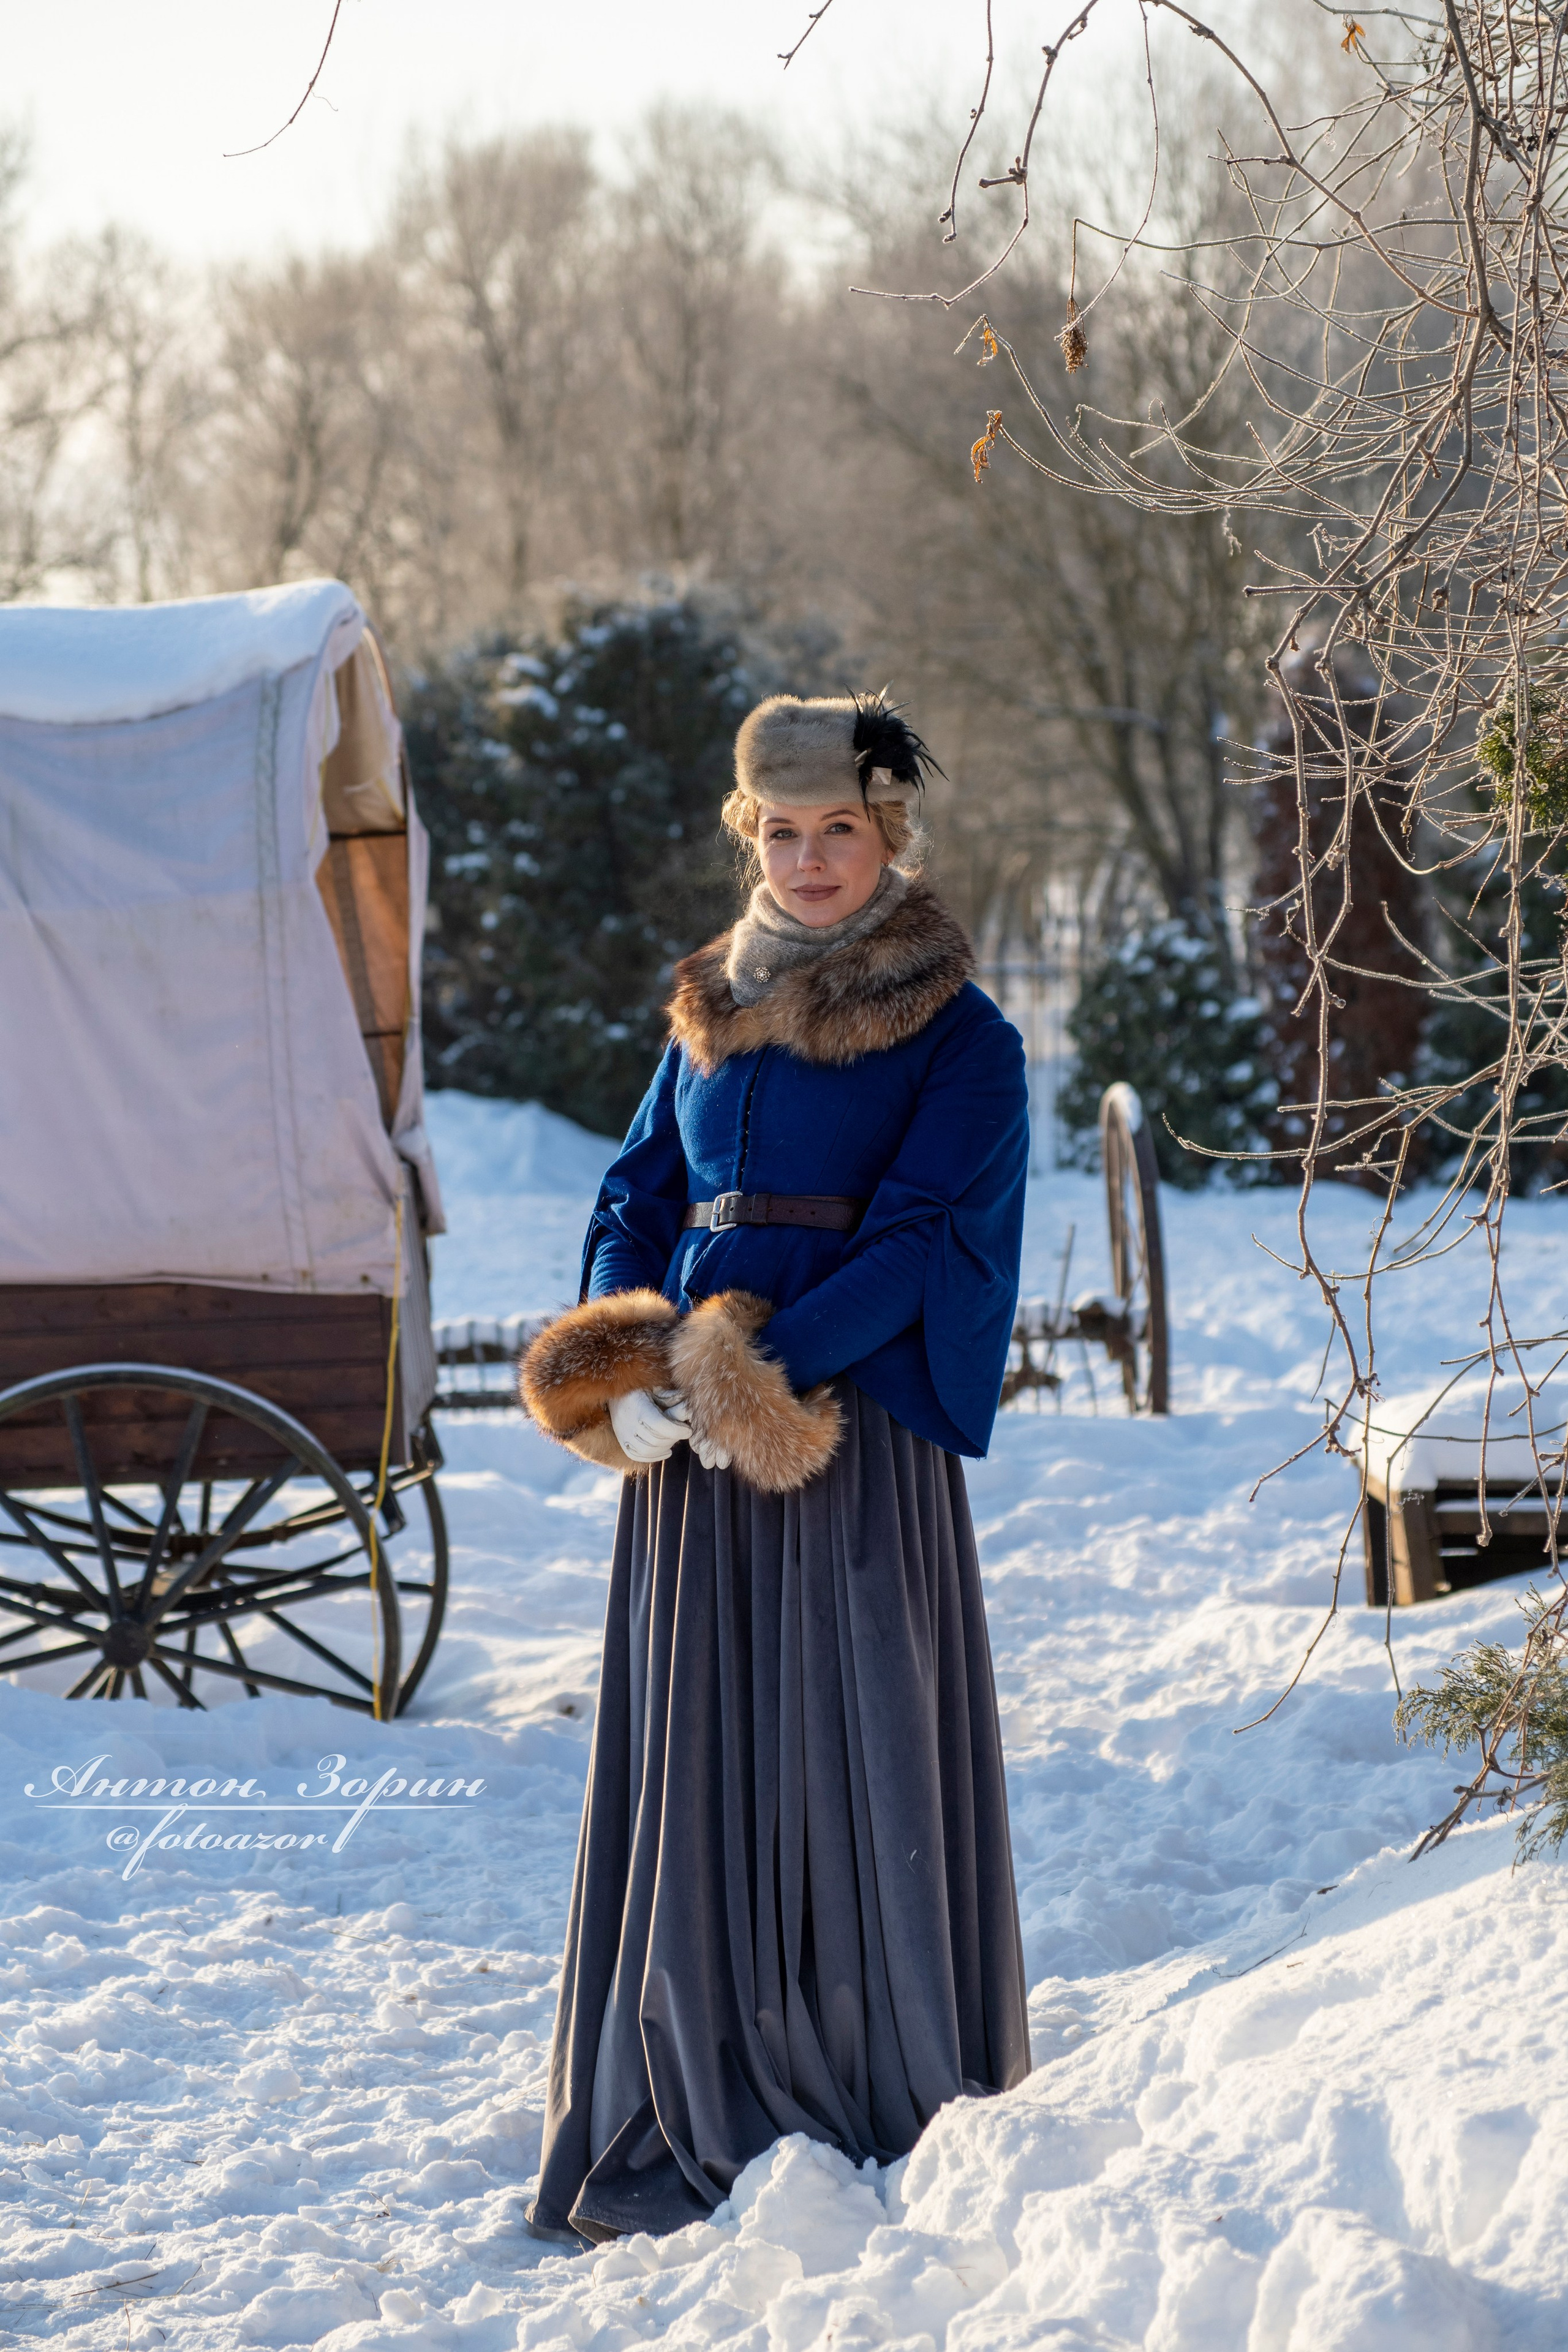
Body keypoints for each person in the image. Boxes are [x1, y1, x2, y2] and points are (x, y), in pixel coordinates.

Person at [518, 689, 1031, 2246]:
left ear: (887, 837)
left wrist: (754, 1374)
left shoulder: (960, 1032)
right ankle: (692, 2064)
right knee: (704, 1753)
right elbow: (634, 1191)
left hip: (845, 1443)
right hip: (686, 1448)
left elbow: (921, 1243)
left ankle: (862, 2073)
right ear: (752, 835)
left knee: (841, 1746)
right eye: (784, 832)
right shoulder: (702, 1008)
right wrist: (625, 1357)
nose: (811, 863)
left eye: (842, 832)